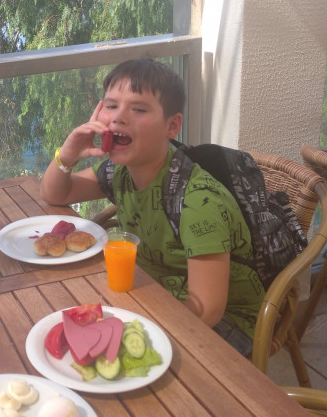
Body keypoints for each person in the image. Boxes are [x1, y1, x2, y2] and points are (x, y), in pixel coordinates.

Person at [39, 58, 264, 356]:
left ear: (172, 125)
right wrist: (68, 155)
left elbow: (207, 308)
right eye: (111, 105)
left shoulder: (198, 201)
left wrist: (134, 331)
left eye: (139, 109)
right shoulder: (120, 171)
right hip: (151, 291)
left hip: (224, 324)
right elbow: (56, 193)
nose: (119, 117)